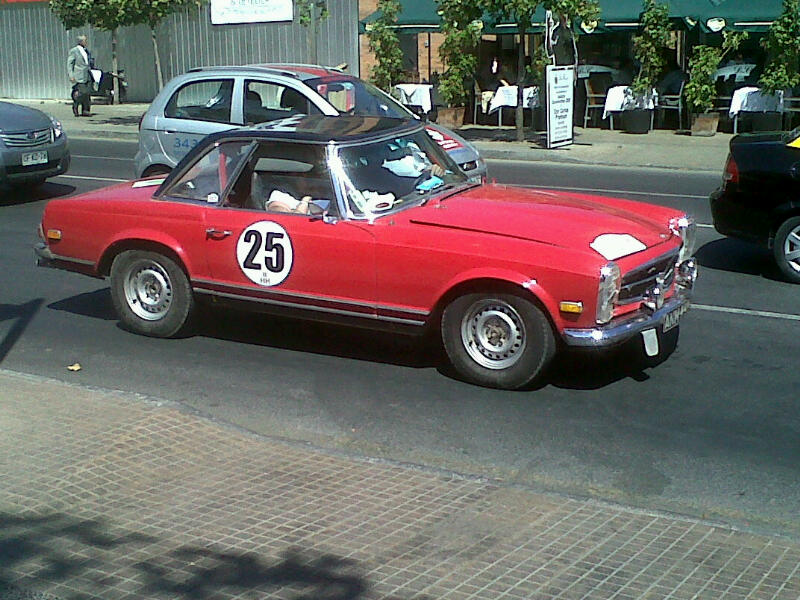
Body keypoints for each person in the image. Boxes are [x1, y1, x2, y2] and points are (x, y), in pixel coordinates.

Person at [67, 35, 93, 117]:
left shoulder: (86, 51)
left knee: (88, 93)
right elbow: (70, 63)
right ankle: (75, 105)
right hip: (79, 74)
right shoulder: (74, 51)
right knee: (82, 92)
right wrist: (71, 75)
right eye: (85, 40)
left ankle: (86, 110)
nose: (86, 42)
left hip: (88, 74)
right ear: (81, 41)